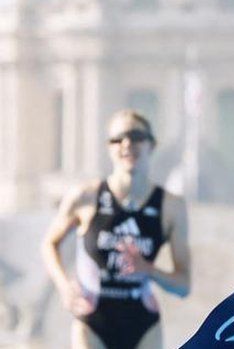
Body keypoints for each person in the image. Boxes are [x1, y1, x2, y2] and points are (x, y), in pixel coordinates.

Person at [41, 109, 191, 349]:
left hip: (143, 324)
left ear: (151, 145)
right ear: (109, 148)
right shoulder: (85, 197)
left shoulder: (170, 206)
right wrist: (64, 285)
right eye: (117, 139)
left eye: (136, 136)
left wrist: (148, 269)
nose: (127, 144)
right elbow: (49, 244)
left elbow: (183, 286)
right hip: (92, 321)